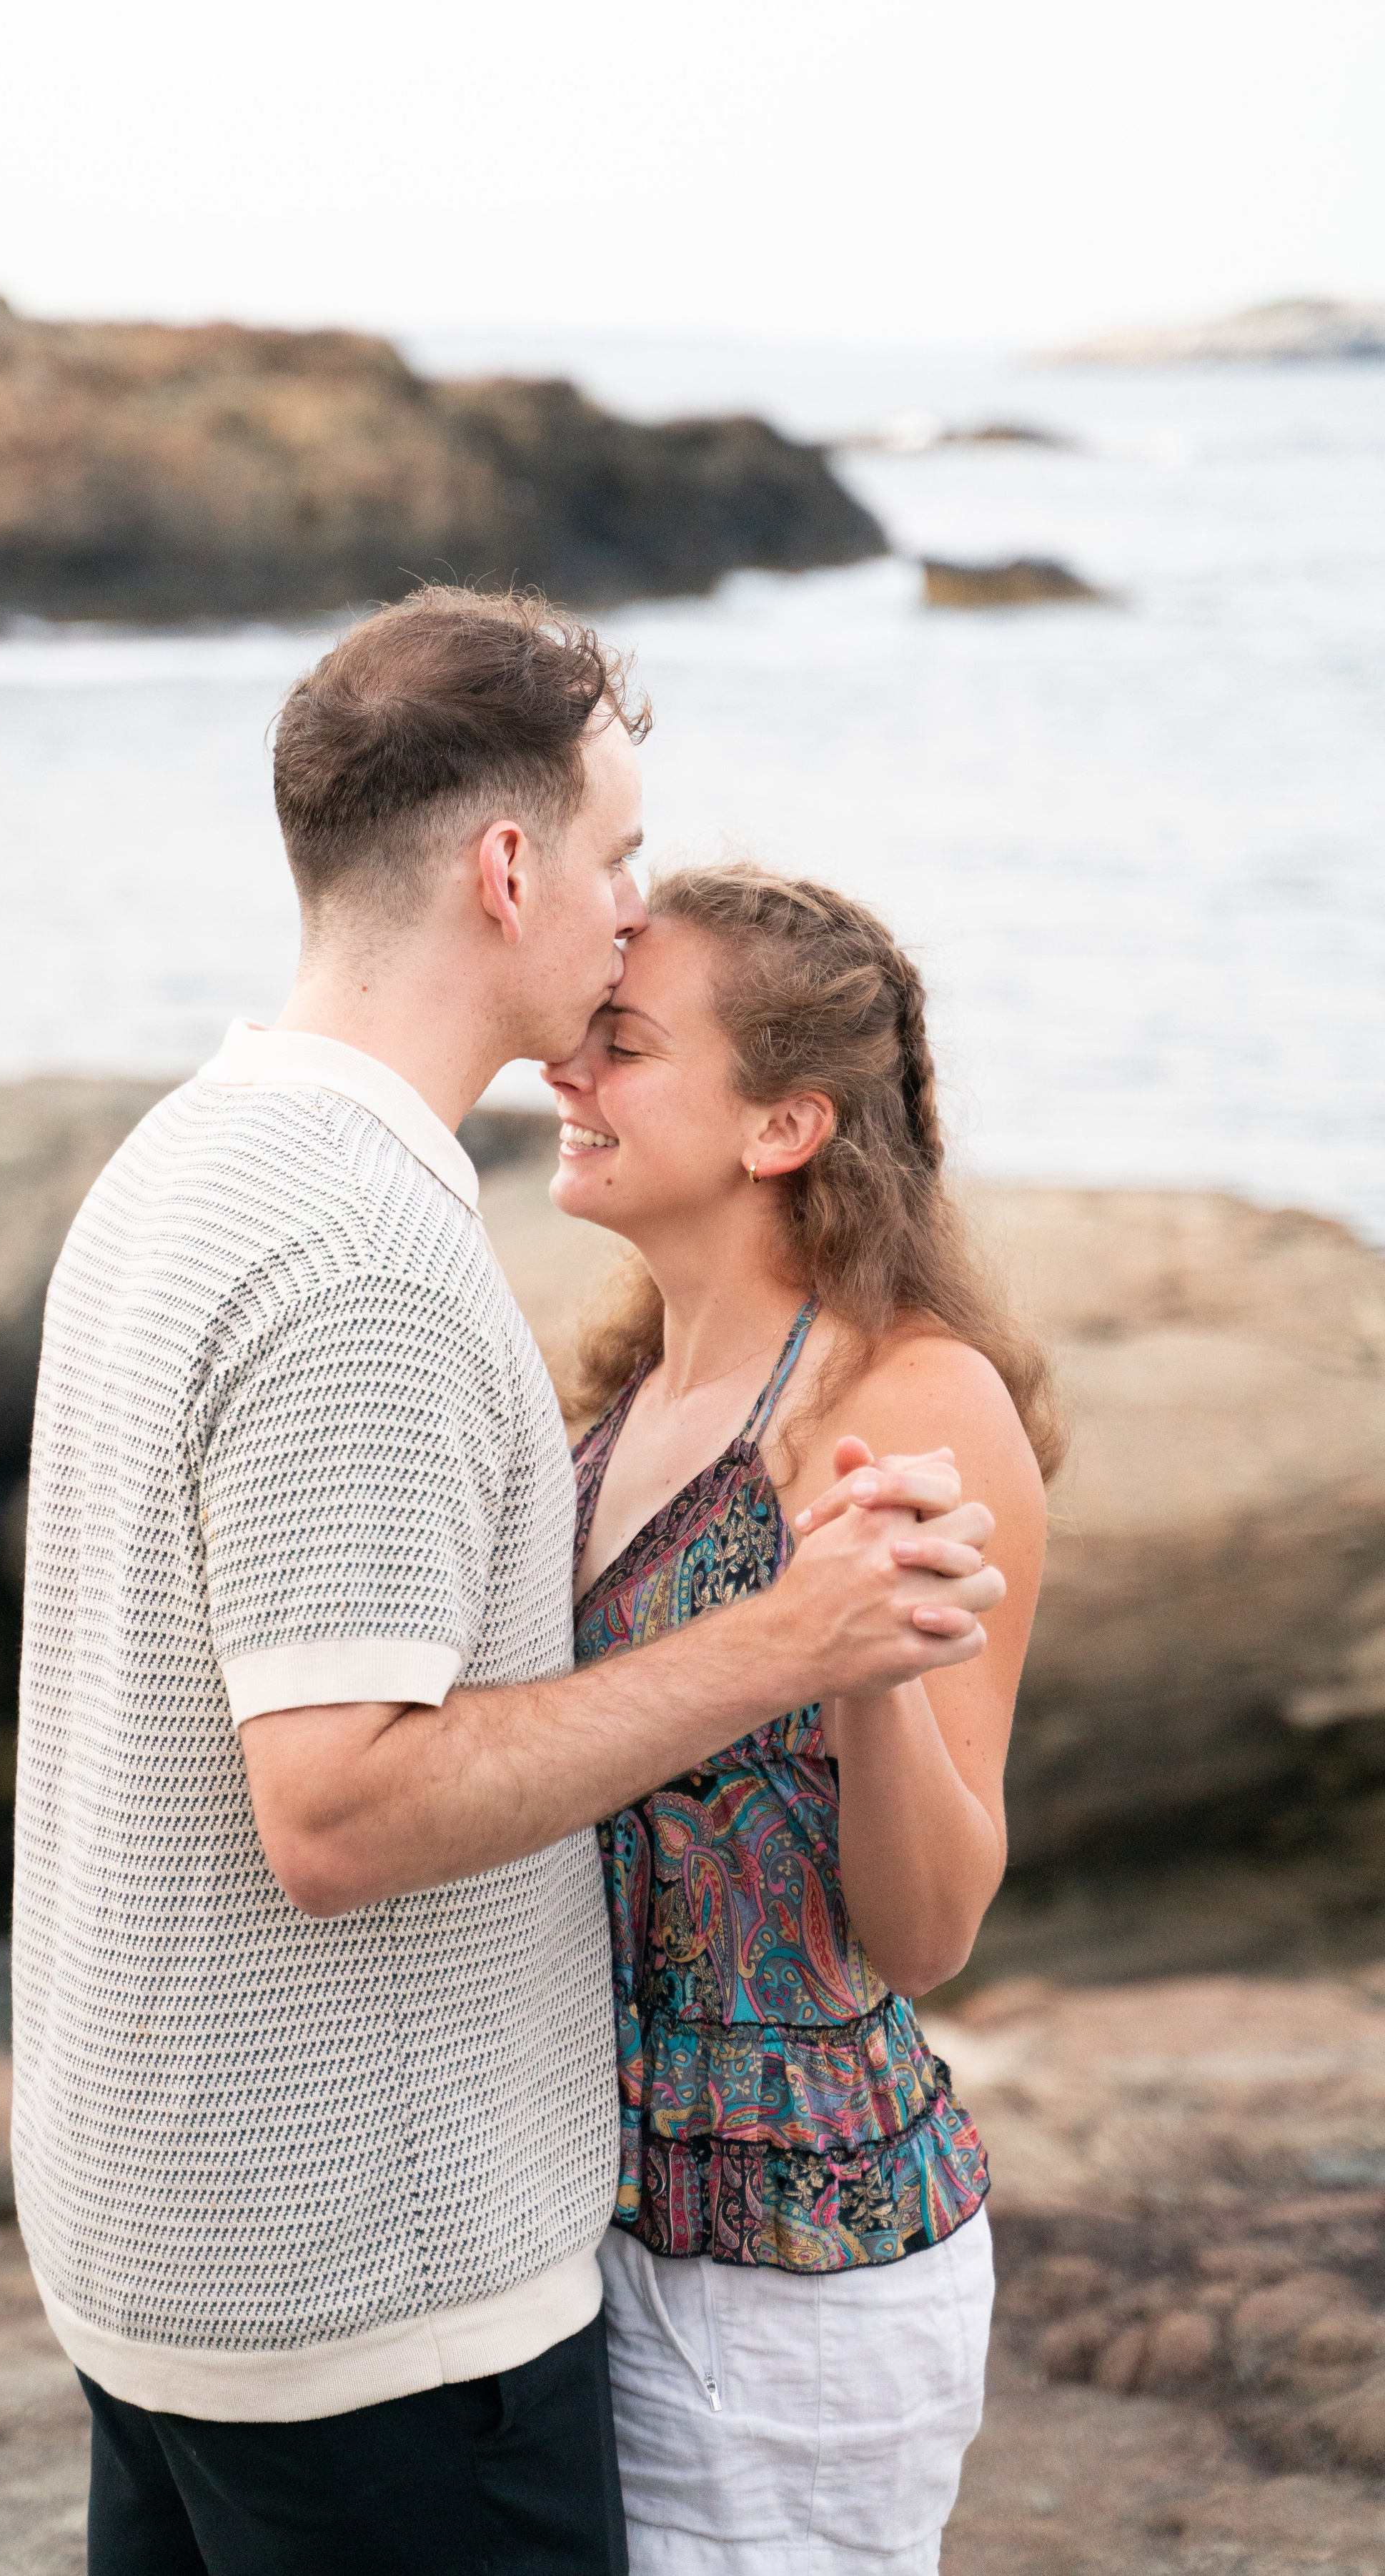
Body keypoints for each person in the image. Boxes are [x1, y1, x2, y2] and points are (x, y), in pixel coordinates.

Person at [11, 589, 1007, 2576]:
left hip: (331, 2254)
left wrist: (846, 1656)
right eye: (615, 857)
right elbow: (340, 1805)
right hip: (367, 2291)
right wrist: (783, 1640)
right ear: (503, 867)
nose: (621, 915)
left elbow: (918, 1906)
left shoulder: (186, 1161)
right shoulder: (372, 1258)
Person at [543, 864, 1063, 2575]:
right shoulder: (620, 1398)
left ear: (782, 1125)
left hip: (790, 2287)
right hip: (572, 2238)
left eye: (622, 1043)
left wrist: (861, 1667)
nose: (561, 1067)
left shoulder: (907, 1398)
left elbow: (927, 1929)